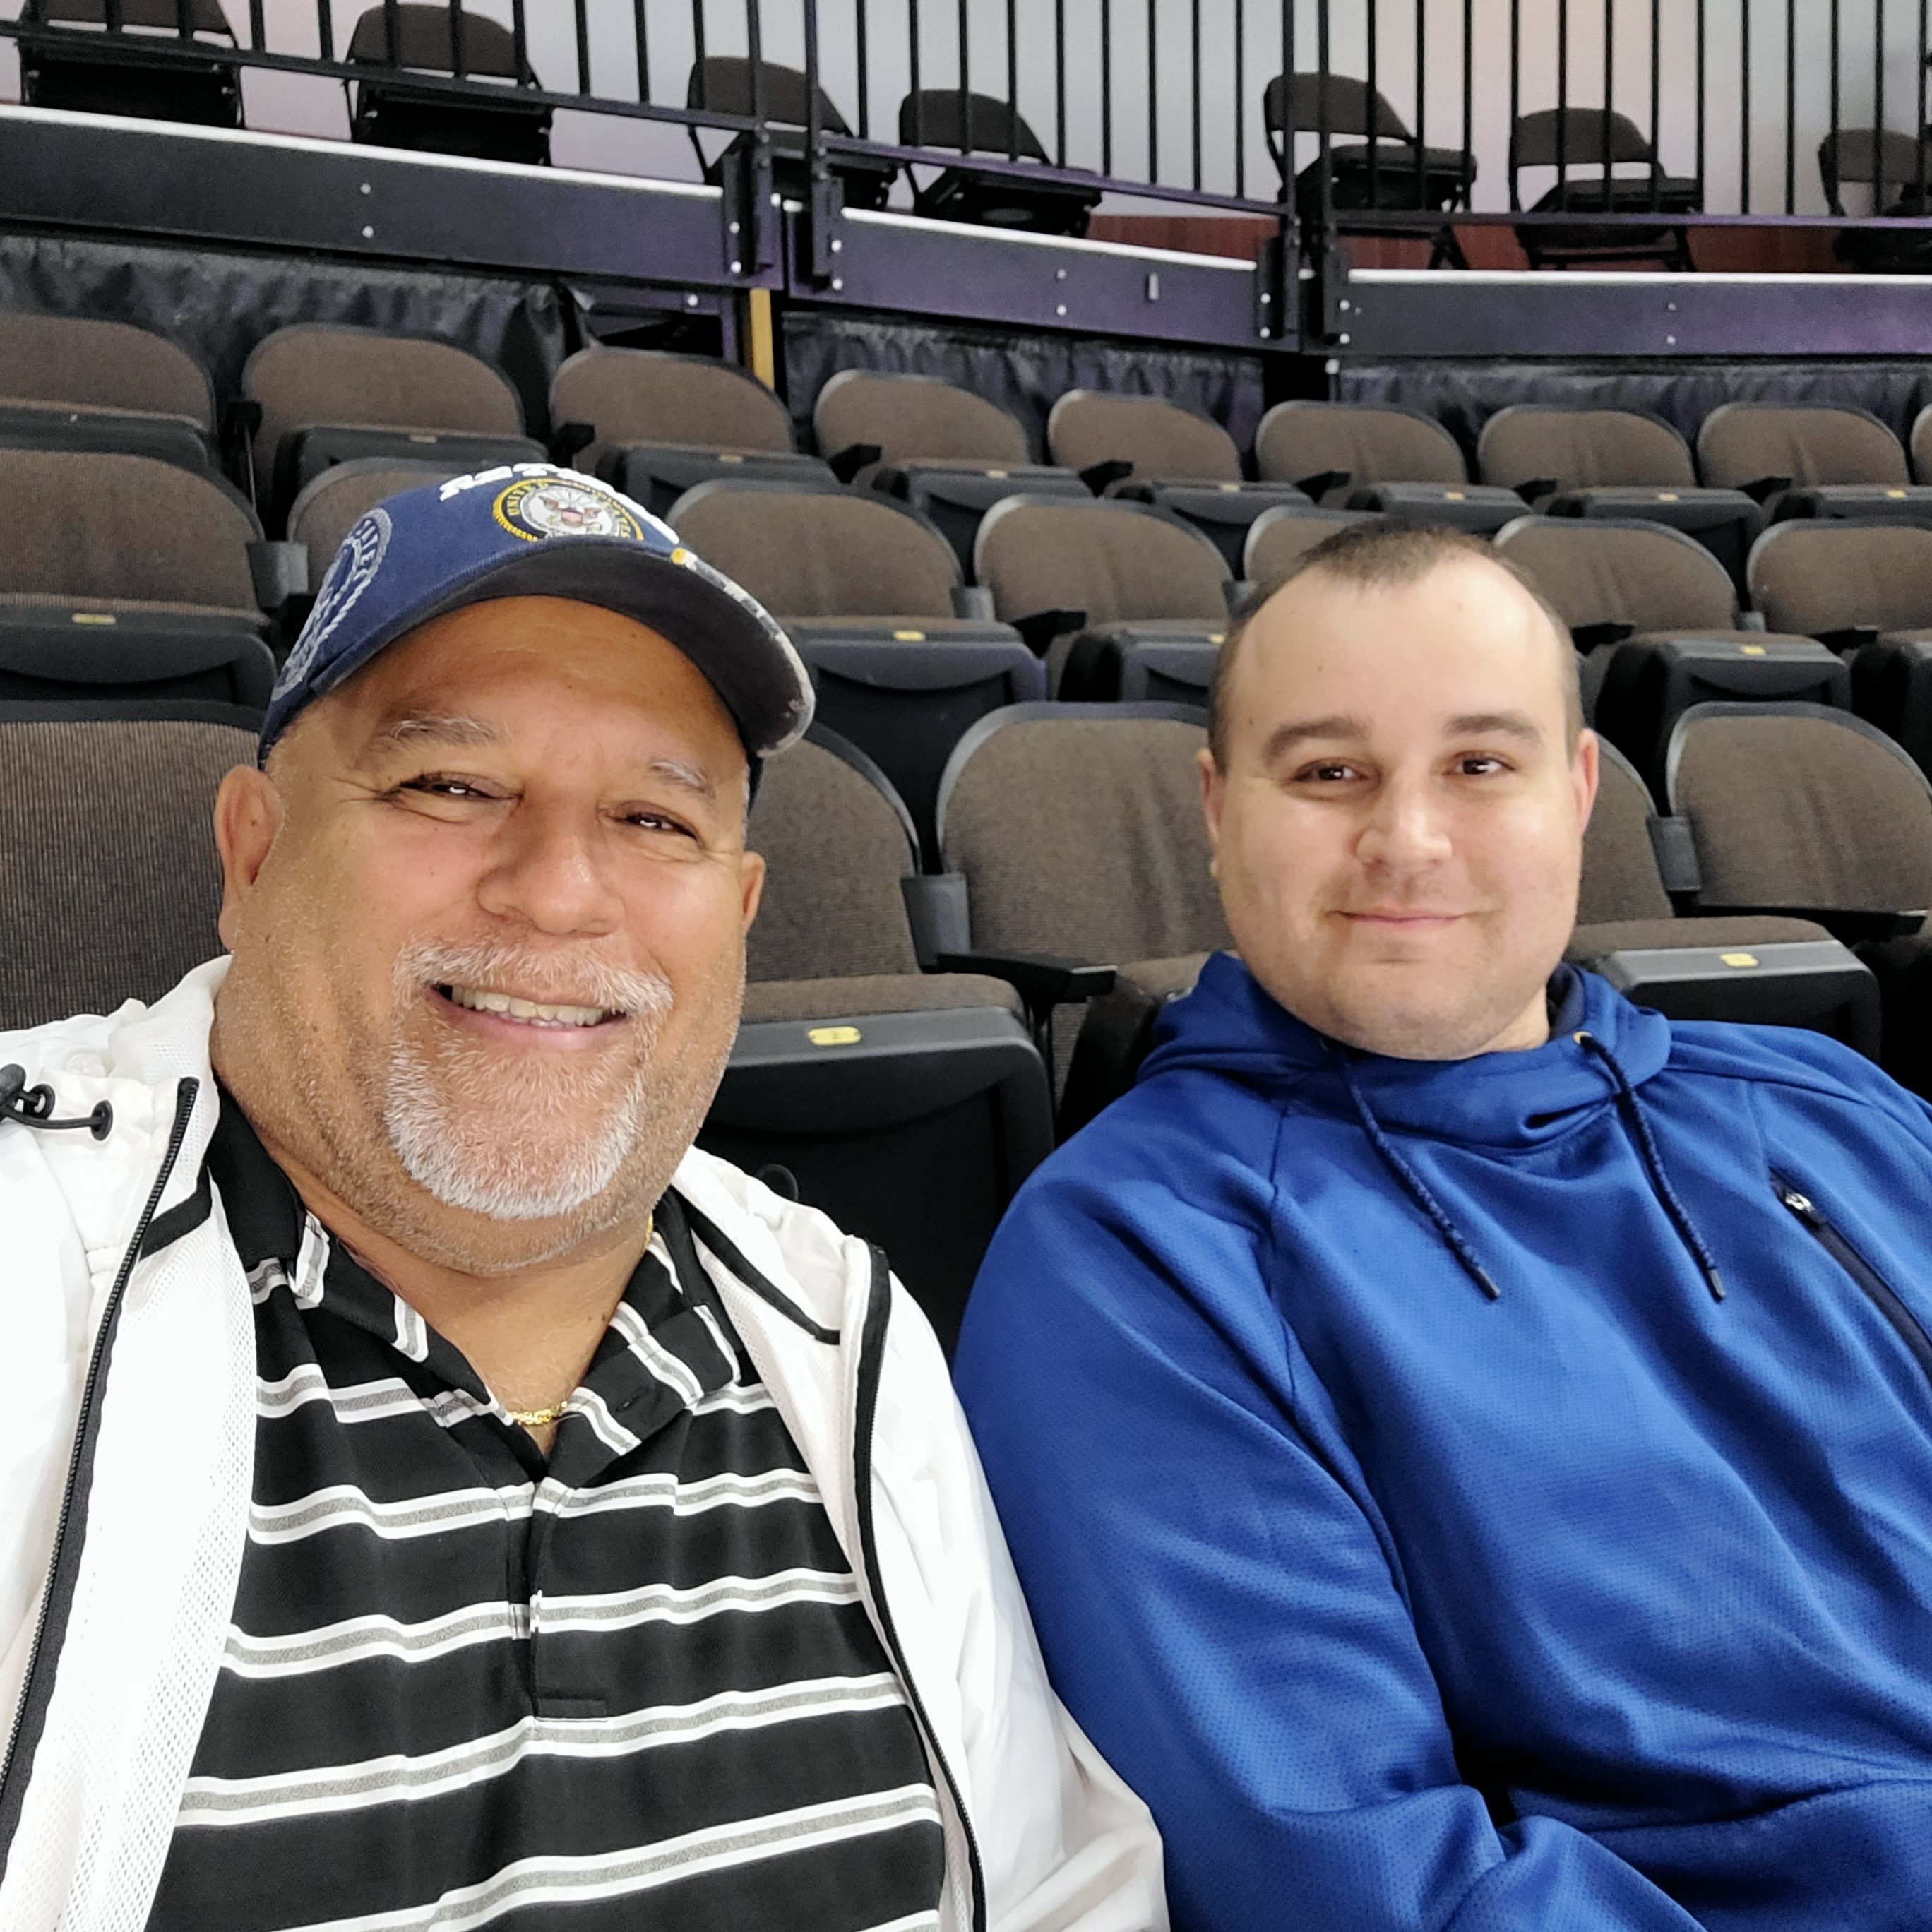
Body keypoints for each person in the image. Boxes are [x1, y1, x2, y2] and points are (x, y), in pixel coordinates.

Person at [0, 465, 1164, 1932]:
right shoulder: (27, 1255)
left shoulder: (845, 1323)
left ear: (740, 914)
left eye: (657, 820)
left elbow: (1060, 1889)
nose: (559, 893)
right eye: (450, 786)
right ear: (253, 851)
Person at [954, 520, 1932, 1931]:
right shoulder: (1135, 1256)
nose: (1407, 841)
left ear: (1577, 793)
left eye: (1480, 765)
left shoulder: (1836, 1103)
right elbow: (1366, 1883)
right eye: (1329, 772)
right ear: (1219, 812)